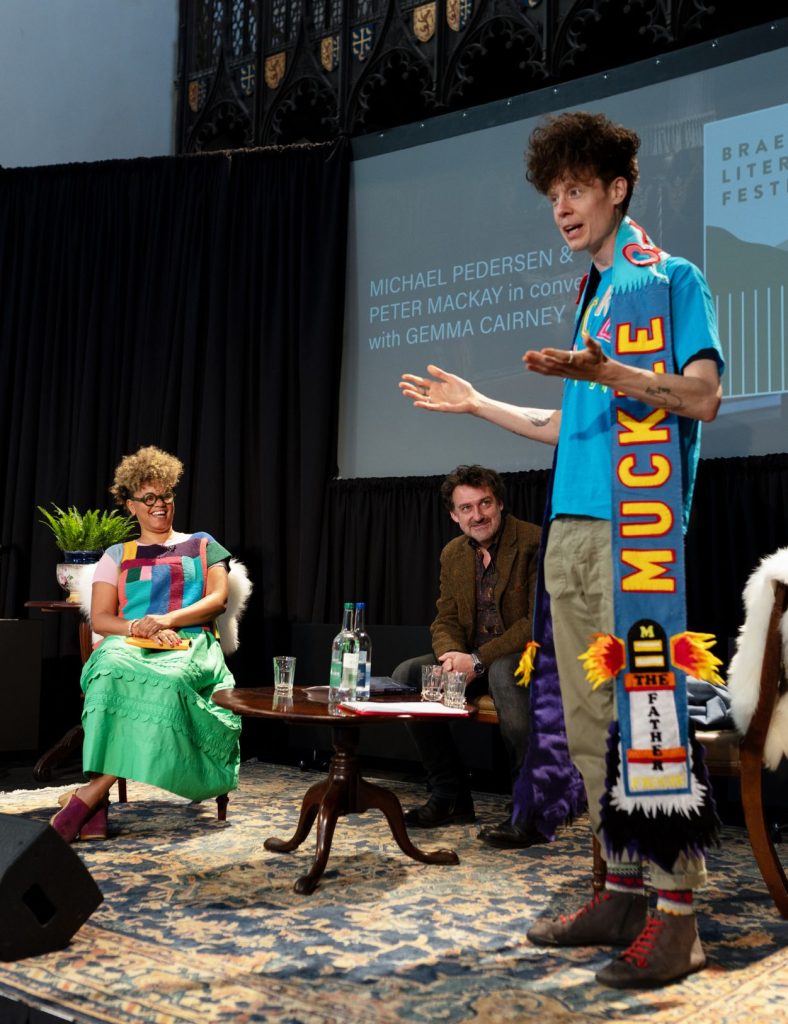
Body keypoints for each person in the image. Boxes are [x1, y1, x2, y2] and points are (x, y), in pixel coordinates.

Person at [400, 111, 724, 988]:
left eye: (576, 189)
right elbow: (564, 425)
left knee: (648, 717)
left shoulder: (672, 280)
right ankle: (620, 889)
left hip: (633, 539)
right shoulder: (594, 295)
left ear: (618, 189)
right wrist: (476, 404)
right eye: (553, 195)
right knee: (588, 729)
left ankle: (679, 917)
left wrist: (611, 372)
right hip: (572, 537)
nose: (563, 207)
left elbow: (701, 398)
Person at [49, 446, 242, 843]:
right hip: (130, 639)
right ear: (131, 505)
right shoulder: (116, 555)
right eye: (149, 497)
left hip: (189, 640)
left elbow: (218, 600)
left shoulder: (203, 544)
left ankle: (90, 797)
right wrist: (141, 627)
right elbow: (102, 618)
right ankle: (96, 800)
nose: (160, 504)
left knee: (169, 683)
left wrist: (167, 621)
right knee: (108, 672)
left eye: (165, 495)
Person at [394, 464, 542, 846]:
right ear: (454, 515)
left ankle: (531, 810)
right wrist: (450, 657)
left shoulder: (533, 541)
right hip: (471, 660)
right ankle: (450, 795)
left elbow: (537, 621)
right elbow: (445, 617)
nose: (477, 515)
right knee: (408, 674)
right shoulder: (453, 554)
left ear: (500, 503)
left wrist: (476, 662)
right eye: (466, 508)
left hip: (526, 658)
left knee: (504, 672)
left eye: (484, 503)